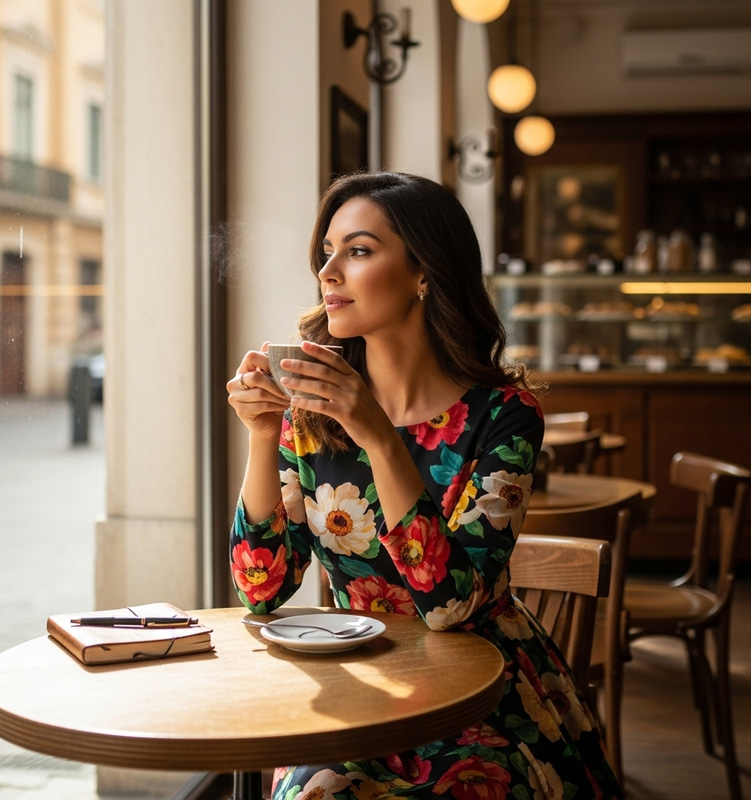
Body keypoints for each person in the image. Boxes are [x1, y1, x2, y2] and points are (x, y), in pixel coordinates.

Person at [227, 171, 621, 799]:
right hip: (356, 683)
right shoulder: (312, 409)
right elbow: (261, 590)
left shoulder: (505, 414)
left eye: (357, 251)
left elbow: (452, 607)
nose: (329, 270)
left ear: (424, 272)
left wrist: (378, 436)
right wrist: (260, 431)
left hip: (483, 690)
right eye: (326, 252)